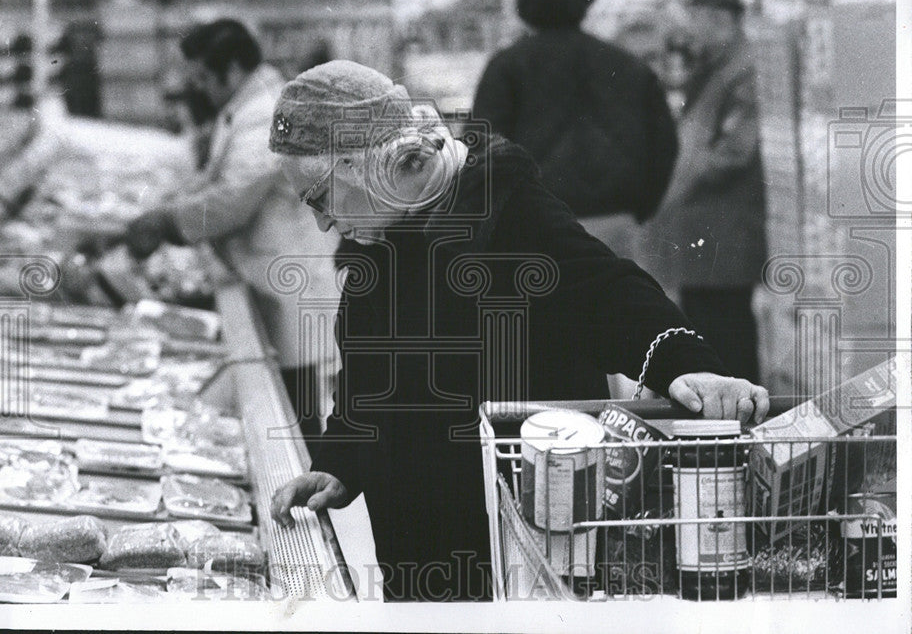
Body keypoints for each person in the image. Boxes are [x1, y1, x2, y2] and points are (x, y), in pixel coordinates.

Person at [267, 60, 769, 601]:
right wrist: (342, 461)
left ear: (364, 163)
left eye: (318, 197)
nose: (320, 221)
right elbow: (370, 368)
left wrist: (688, 364)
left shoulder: (507, 212)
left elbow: (607, 291)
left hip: (521, 554)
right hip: (418, 557)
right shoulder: (382, 231)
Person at [124, 19, 340, 441]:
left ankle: (307, 494)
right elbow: (212, 180)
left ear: (235, 68)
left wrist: (166, 222)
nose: (200, 89)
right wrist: (164, 210)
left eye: (205, 77)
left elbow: (234, 199)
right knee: (288, 403)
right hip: (271, 276)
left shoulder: (267, 113)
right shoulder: (245, 108)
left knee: (296, 414)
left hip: (290, 281)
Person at [473, 0, 678, 250]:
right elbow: (664, 145)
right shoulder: (629, 66)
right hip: (616, 219)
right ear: (584, 3)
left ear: (527, 8)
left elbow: (484, 149)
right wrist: (642, 208)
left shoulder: (507, 67)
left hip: (537, 223)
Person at [639, 0, 767, 384]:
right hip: (707, 242)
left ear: (719, 18)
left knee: (726, 343)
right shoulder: (718, 66)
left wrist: (681, 182)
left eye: (696, 16)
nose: (690, 27)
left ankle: (736, 437)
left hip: (724, 239)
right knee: (711, 337)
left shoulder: (742, 70)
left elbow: (734, 151)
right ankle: (722, 435)